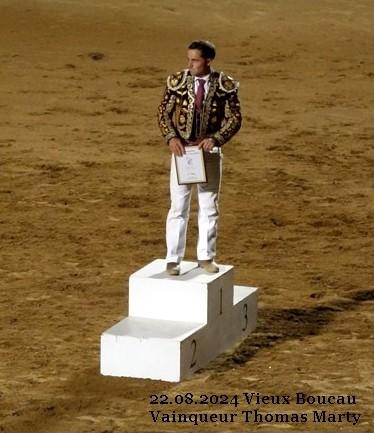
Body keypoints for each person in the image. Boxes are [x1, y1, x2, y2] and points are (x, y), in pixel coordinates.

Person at [158, 40, 242, 276]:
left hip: (208, 153)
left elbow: (235, 118)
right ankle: (173, 259)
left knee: (208, 205)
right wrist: (171, 137)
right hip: (183, 152)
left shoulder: (224, 85)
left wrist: (216, 139)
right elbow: (163, 112)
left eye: (195, 60)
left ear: (208, 61)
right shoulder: (178, 81)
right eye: (189, 59)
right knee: (178, 206)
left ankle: (206, 257)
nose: (190, 64)